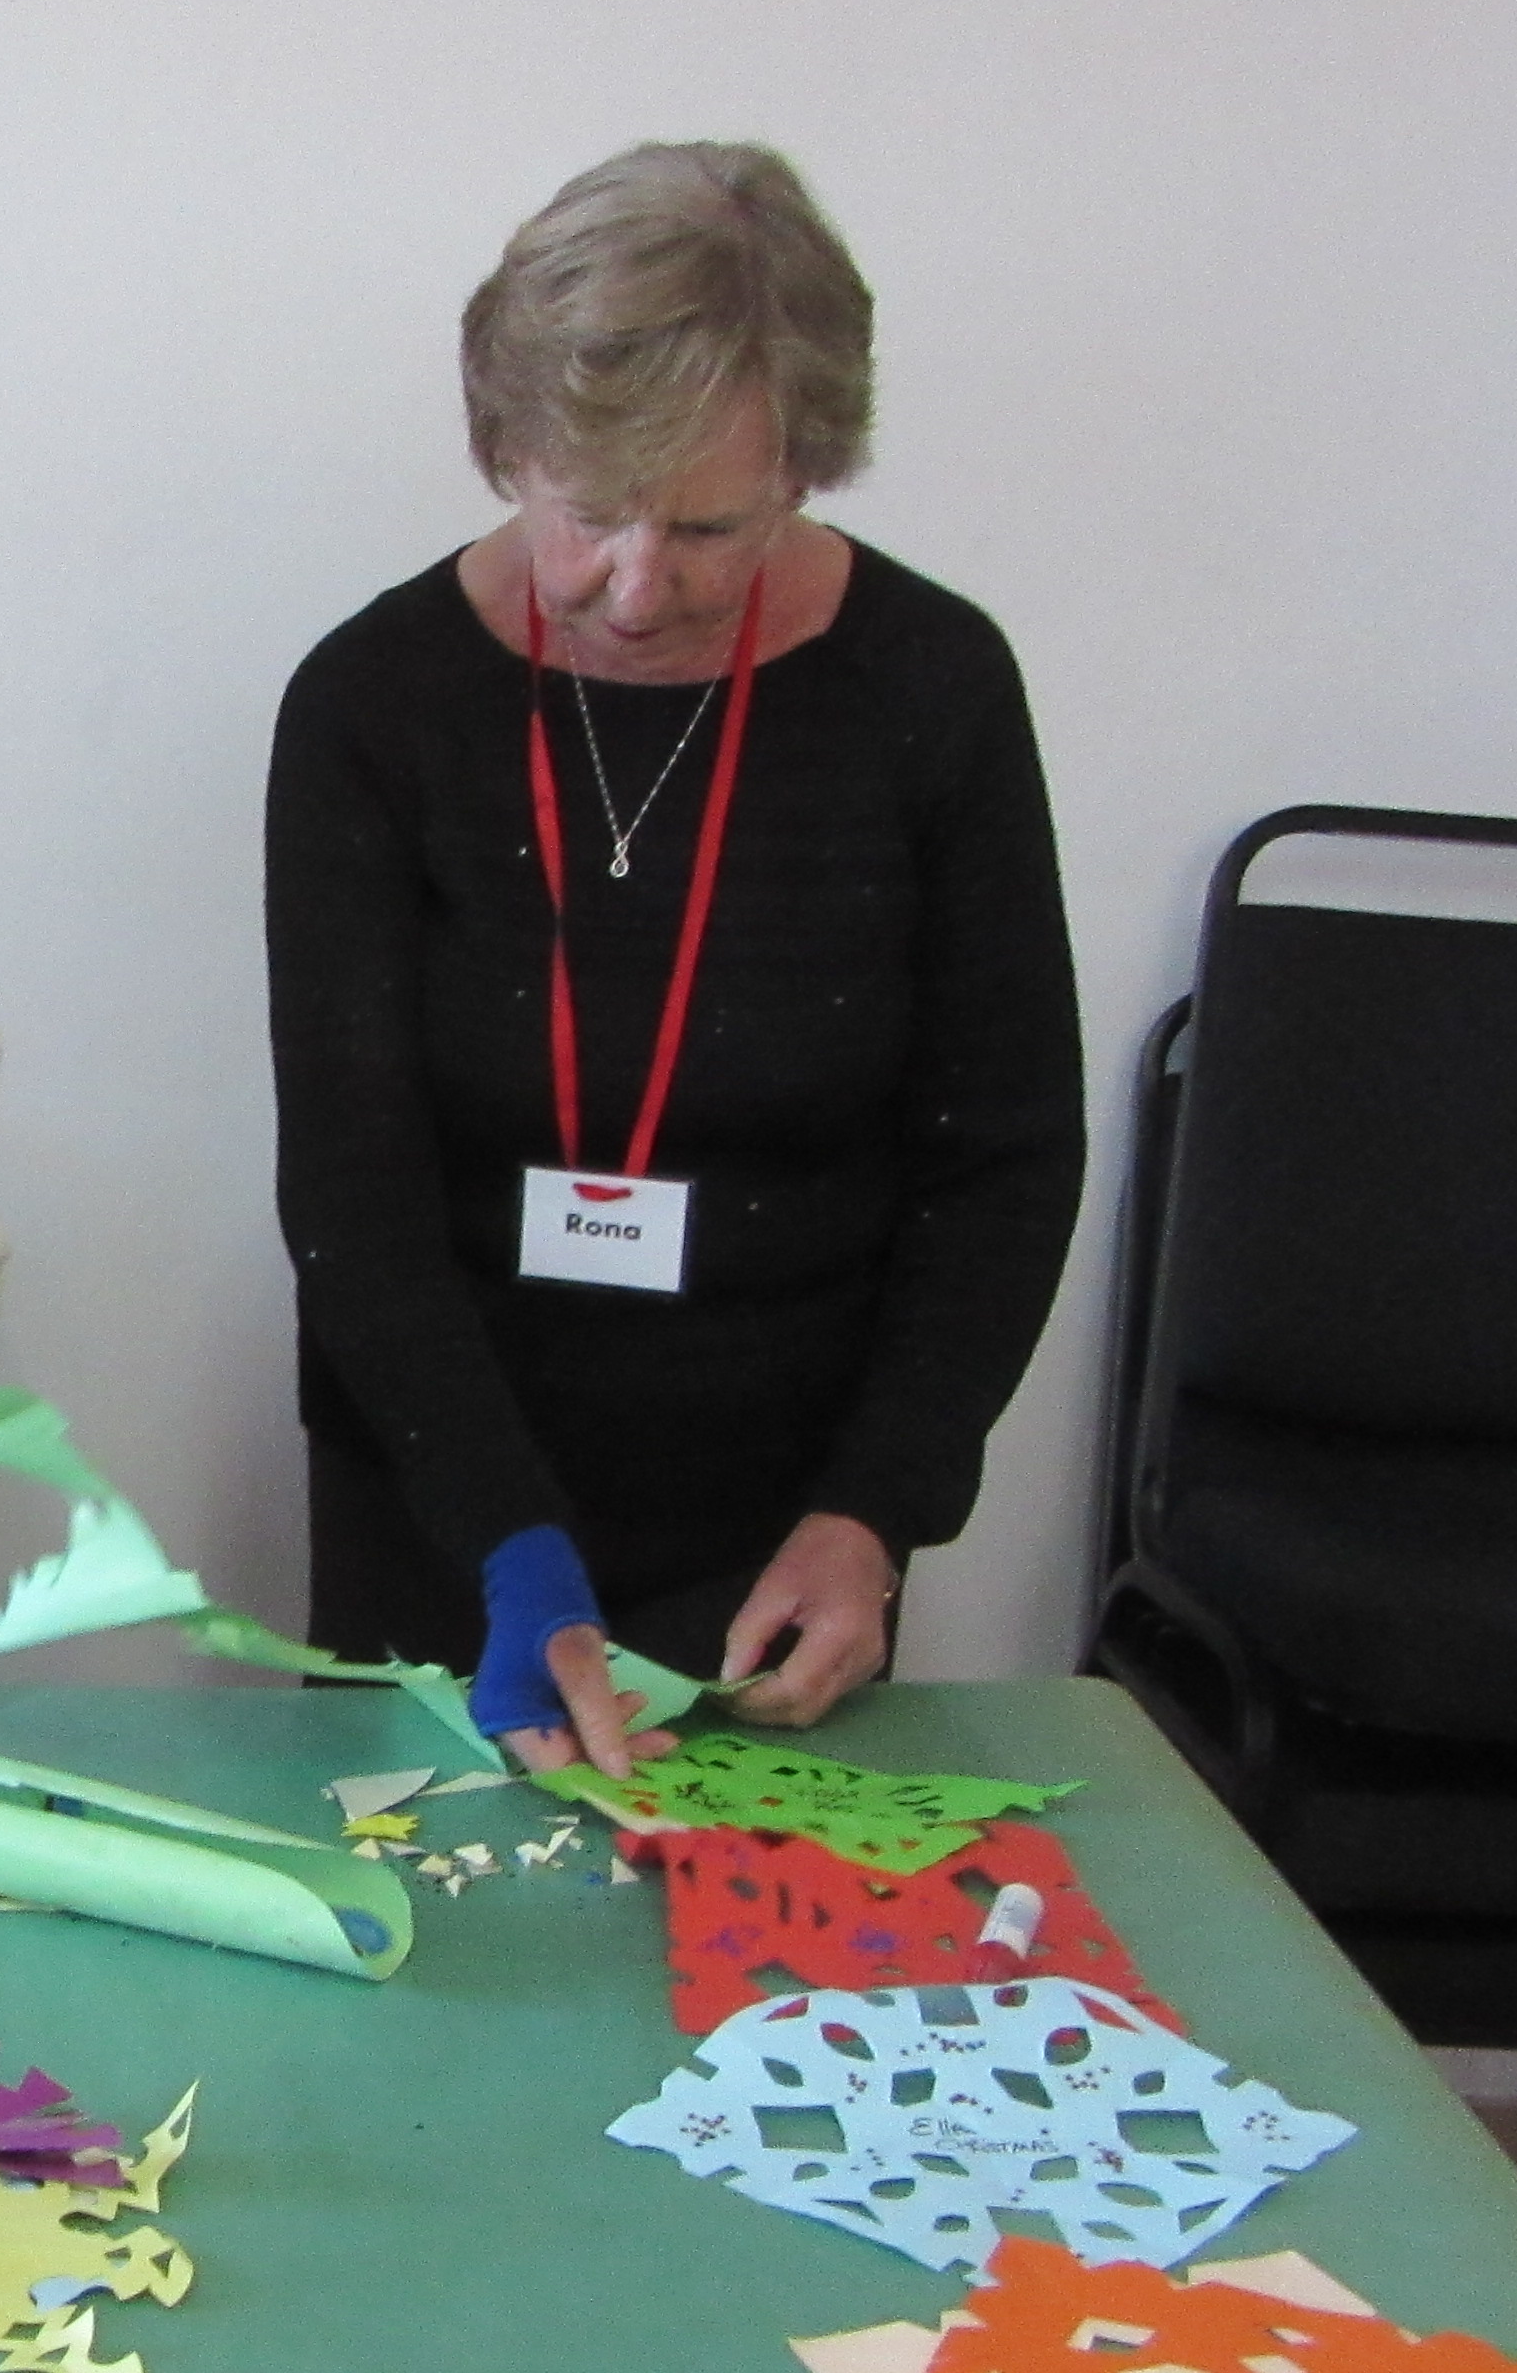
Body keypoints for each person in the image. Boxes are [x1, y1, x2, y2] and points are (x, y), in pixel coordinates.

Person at [264, 142, 1081, 1780]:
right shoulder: (374, 711)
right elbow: (354, 1192)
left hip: (789, 1535)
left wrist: (876, 1513)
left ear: (810, 469)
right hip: (447, 1508)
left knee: (756, 1997)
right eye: (591, 516)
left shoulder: (933, 693)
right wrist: (508, 1543)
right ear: (507, 449)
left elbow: (1002, 1157)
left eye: (711, 524)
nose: (640, 590)